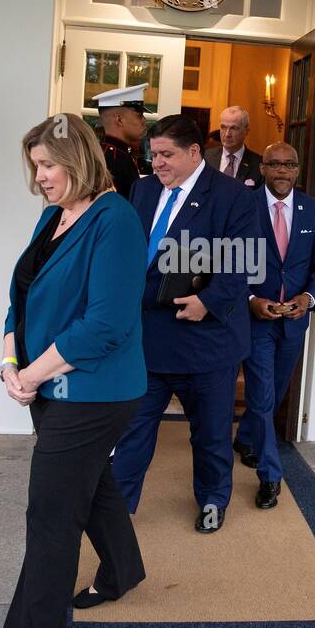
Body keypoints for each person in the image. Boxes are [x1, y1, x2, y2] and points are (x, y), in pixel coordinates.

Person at [0, 113, 148, 628]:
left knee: (51, 516)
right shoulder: (52, 216)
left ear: (77, 161)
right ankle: (124, 570)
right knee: (91, 484)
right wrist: (8, 362)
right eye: (36, 166)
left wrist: (32, 374)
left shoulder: (116, 219)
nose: (40, 176)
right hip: (47, 384)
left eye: (48, 165)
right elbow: (18, 297)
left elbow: (107, 324)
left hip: (94, 393)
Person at [110, 113, 261, 532]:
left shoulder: (233, 196)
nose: (156, 163)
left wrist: (208, 301)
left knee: (210, 435)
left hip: (205, 342)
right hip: (147, 340)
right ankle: (117, 509)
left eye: (166, 155)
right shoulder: (142, 189)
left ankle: (212, 502)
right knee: (134, 430)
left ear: (194, 152)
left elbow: (243, 261)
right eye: (152, 154)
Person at [233, 142, 315, 507]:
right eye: (273, 164)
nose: (281, 171)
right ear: (263, 169)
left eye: (288, 164)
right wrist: (250, 299)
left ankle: (245, 438)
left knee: (273, 393)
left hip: (294, 321)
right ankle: (270, 476)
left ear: (297, 169)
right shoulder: (244, 206)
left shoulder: (314, 211)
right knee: (261, 394)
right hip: (257, 320)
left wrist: (308, 300)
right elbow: (230, 260)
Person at [92, 83, 149, 199]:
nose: (144, 120)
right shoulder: (109, 159)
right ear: (119, 120)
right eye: (139, 116)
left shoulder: (119, 153)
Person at [204, 105, 263, 189]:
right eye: (223, 127)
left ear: (246, 131)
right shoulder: (206, 157)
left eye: (234, 128)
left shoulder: (258, 164)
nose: (227, 134)